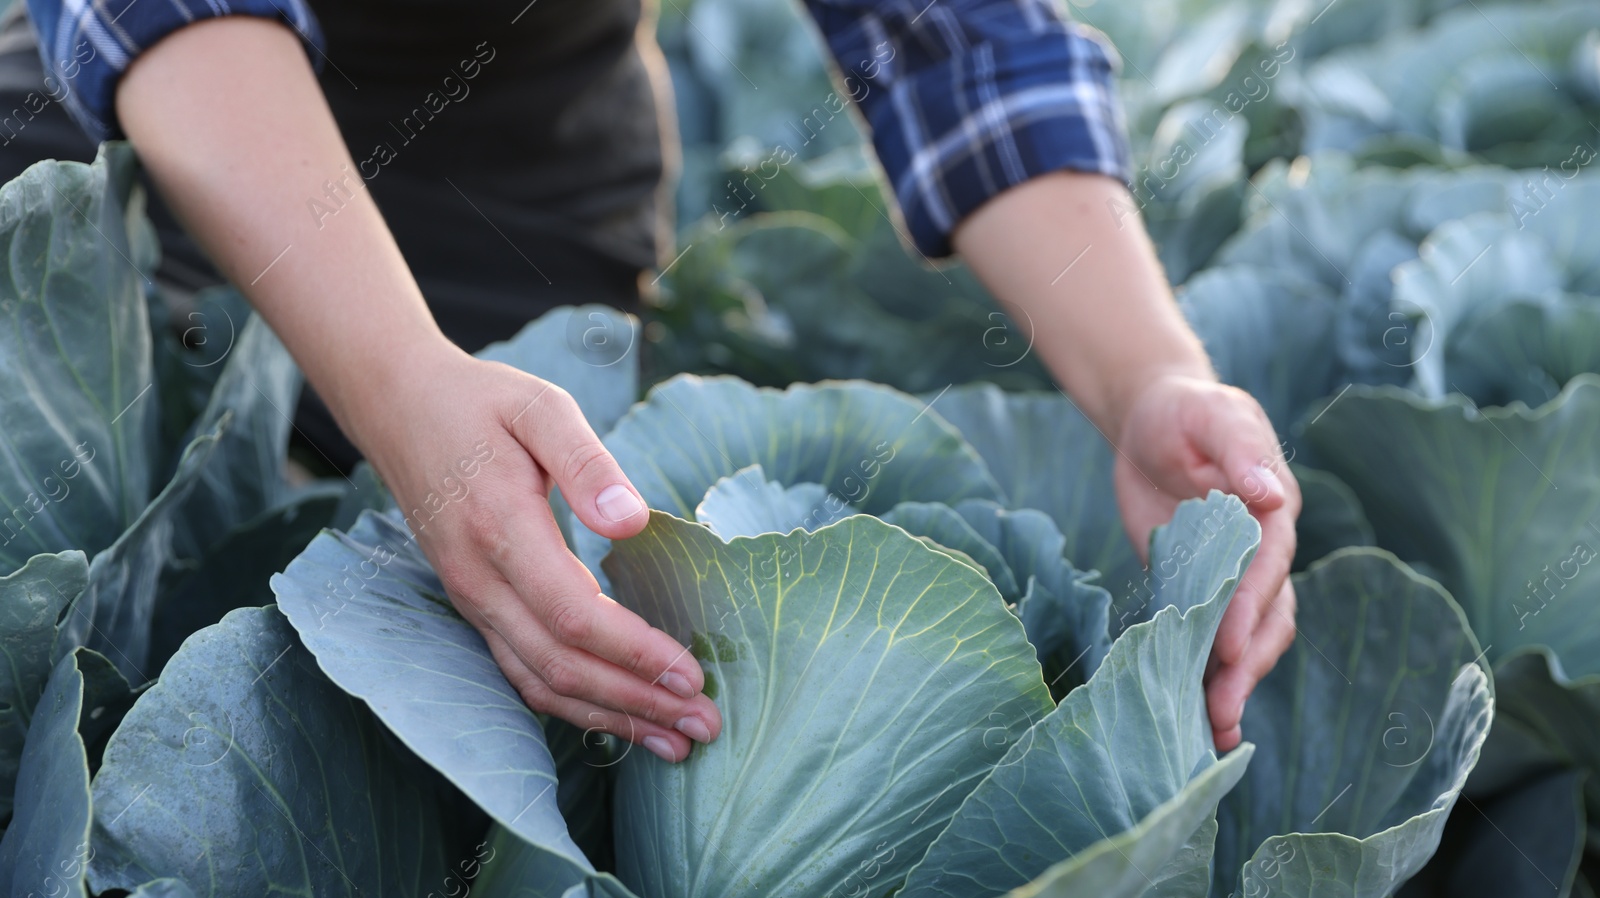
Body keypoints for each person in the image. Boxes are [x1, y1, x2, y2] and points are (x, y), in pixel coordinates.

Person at [9, 0, 1298, 761]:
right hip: (138, 139)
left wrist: (1148, 380)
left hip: (524, 185)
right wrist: (400, 387)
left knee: (517, 660)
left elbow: (955, 41)